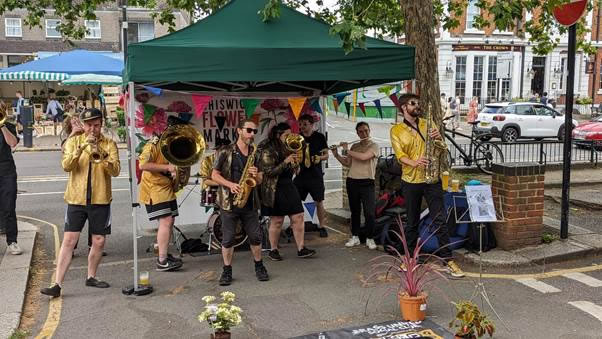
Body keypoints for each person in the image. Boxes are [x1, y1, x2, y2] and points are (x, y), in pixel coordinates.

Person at [40, 108, 120, 297]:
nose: (93, 129)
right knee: (69, 240)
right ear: (83, 125)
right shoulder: (73, 141)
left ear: (101, 124)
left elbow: (115, 170)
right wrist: (83, 146)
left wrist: (99, 152)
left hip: (100, 198)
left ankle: (91, 276)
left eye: (97, 125)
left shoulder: (109, 144)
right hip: (76, 198)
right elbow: (67, 165)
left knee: (99, 241)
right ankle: (57, 284)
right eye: (89, 125)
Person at [390, 93, 465, 278]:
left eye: (418, 103)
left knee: (440, 220)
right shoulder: (396, 130)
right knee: (412, 222)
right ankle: (409, 260)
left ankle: (448, 260)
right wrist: (414, 162)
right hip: (411, 181)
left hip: (432, 179)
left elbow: (441, 148)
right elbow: (400, 156)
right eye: (412, 103)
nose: (417, 106)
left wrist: (439, 138)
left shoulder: (426, 123)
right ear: (403, 108)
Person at [211, 119, 268, 286]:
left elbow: (260, 179)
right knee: (228, 239)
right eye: (249, 130)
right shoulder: (225, 151)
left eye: (254, 131)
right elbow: (214, 175)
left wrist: (256, 174)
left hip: (249, 201)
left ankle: (259, 266)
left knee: (256, 237)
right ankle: (227, 270)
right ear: (239, 130)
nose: (252, 134)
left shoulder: (256, 153)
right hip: (229, 202)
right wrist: (230, 185)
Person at [258, 122, 316, 261]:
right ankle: (273, 250)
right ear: (278, 135)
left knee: (298, 216)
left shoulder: (289, 147)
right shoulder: (268, 149)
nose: (290, 137)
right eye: (287, 135)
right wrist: (285, 162)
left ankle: (301, 248)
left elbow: (295, 170)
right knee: (277, 220)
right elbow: (269, 172)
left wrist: (295, 165)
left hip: (288, 185)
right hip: (274, 187)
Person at [138, 117, 187, 272]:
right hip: (155, 188)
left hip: (165, 187)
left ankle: (163, 253)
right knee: (166, 220)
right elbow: (143, 165)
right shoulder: (153, 144)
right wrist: (167, 168)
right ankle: (162, 260)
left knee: (170, 221)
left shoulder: (171, 145)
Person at [331, 122, 379, 250]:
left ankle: (370, 238)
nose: (364, 133)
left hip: (367, 182)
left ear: (369, 130)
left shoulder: (374, 146)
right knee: (355, 212)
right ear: (357, 133)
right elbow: (347, 163)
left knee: (369, 213)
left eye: (366, 130)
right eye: (361, 131)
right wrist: (336, 154)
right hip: (352, 181)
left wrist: (347, 150)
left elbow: (364, 157)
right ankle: (355, 236)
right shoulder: (355, 146)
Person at [294, 114, 329, 238]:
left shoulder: (319, 137)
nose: (302, 127)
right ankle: (296, 225)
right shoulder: (297, 138)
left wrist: (320, 158)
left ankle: (322, 226)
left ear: (311, 124)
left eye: (305, 124)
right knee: (295, 201)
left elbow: (326, 155)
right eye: (300, 124)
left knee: (319, 201)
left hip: (315, 175)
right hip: (301, 175)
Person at [0, 101, 21, 255]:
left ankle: (12, 241)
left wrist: (2, 126)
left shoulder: (8, 125)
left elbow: (13, 143)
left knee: (9, 207)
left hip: (6, 170)